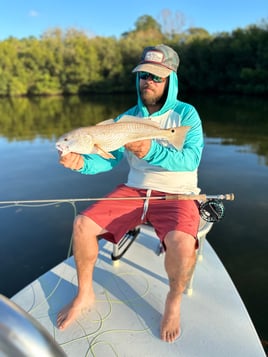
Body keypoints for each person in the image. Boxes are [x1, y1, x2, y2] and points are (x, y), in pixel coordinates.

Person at [57, 44, 204, 343]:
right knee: (82, 225)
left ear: (170, 80)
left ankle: (173, 303)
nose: (148, 81)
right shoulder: (124, 119)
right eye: (143, 75)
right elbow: (103, 158)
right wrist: (81, 163)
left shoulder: (186, 114)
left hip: (178, 192)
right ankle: (84, 294)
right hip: (135, 189)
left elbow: (191, 159)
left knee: (181, 242)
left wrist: (151, 150)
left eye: (156, 77)